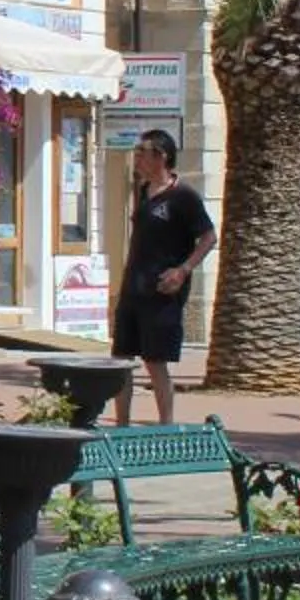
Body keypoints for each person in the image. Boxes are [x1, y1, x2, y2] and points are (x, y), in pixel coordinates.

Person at [113, 128, 216, 425]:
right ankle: (121, 425)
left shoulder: (183, 196)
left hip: (162, 292)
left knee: (155, 361)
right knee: (121, 360)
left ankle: (166, 425)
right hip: (134, 287)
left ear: (162, 156)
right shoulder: (141, 190)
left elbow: (209, 237)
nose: (138, 158)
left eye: (143, 152)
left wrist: (183, 270)